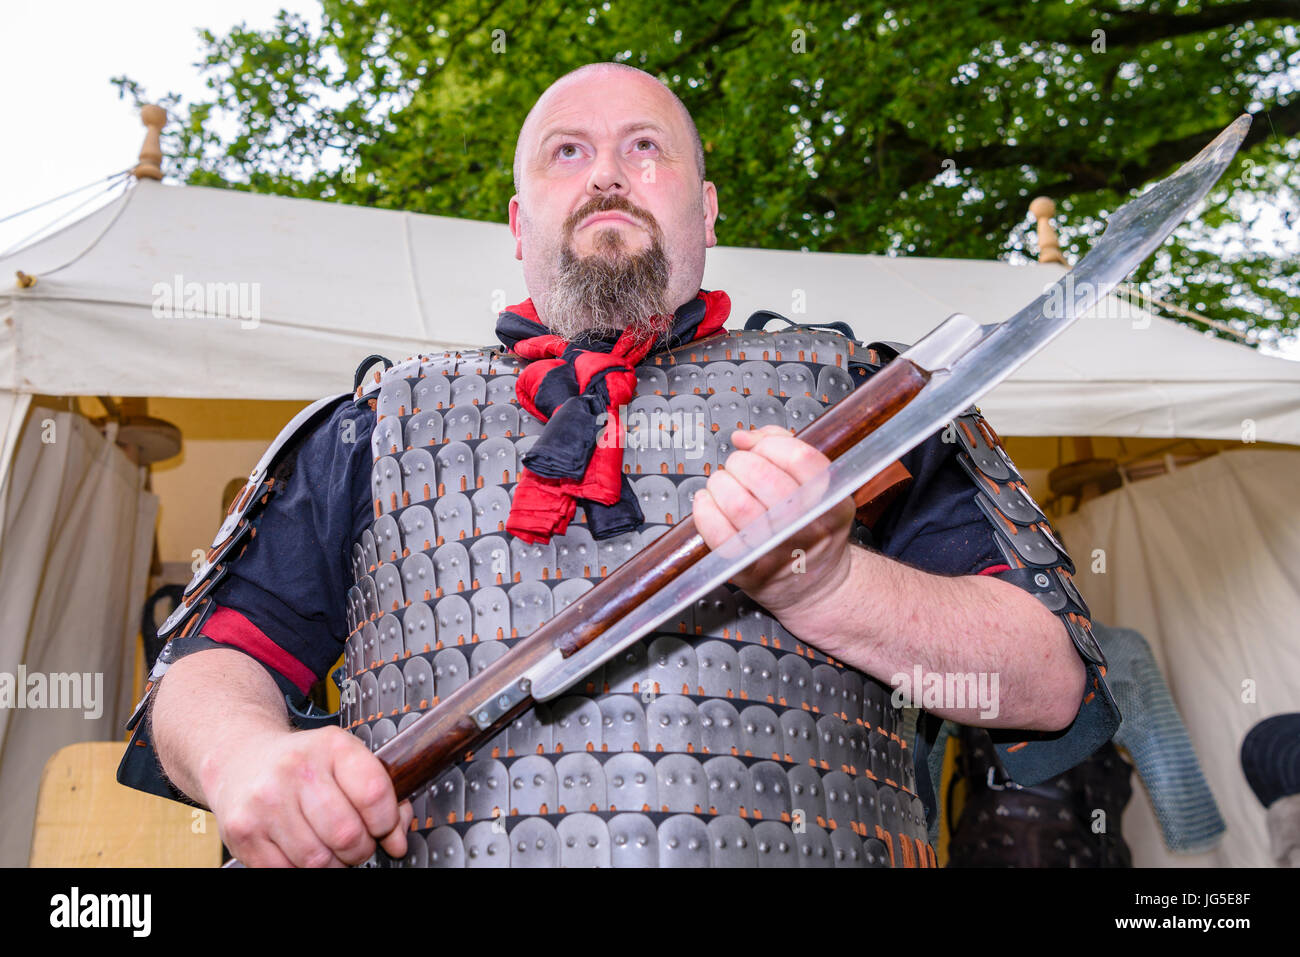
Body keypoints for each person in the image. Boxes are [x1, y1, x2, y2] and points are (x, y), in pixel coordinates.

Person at [119, 62, 1117, 868]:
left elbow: (1046, 683)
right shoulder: (373, 425)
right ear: (516, 223)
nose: (607, 174)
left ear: (709, 209)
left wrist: (832, 581)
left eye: (646, 151)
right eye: (568, 153)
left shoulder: (858, 408)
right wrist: (245, 754)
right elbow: (210, 667)